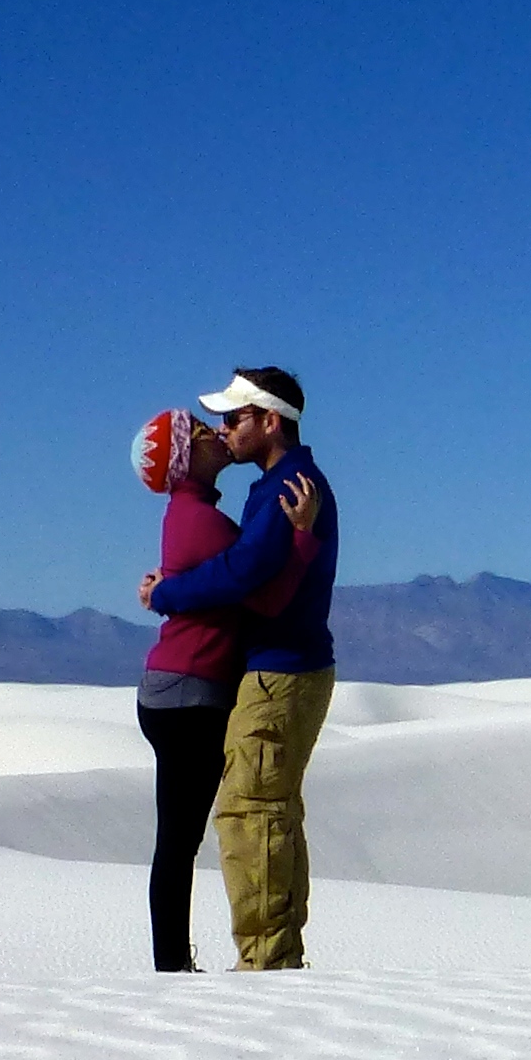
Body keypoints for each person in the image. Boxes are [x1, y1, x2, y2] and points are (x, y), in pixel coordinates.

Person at [138, 366, 335, 970]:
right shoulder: (274, 488)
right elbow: (240, 573)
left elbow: (244, 578)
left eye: (232, 417)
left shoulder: (288, 488)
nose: (222, 428)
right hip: (266, 667)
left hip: (278, 668)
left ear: (269, 421)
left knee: (252, 812)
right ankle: (271, 957)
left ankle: (267, 963)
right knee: (260, 811)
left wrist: (167, 593)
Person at [129, 408, 243, 972]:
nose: (215, 431)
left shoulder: (187, 516)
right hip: (189, 694)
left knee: (177, 839)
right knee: (178, 841)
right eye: (200, 430)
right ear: (184, 458)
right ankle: (171, 967)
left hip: (176, 690)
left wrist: (166, 588)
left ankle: (172, 962)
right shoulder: (202, 521)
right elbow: (256, 573)